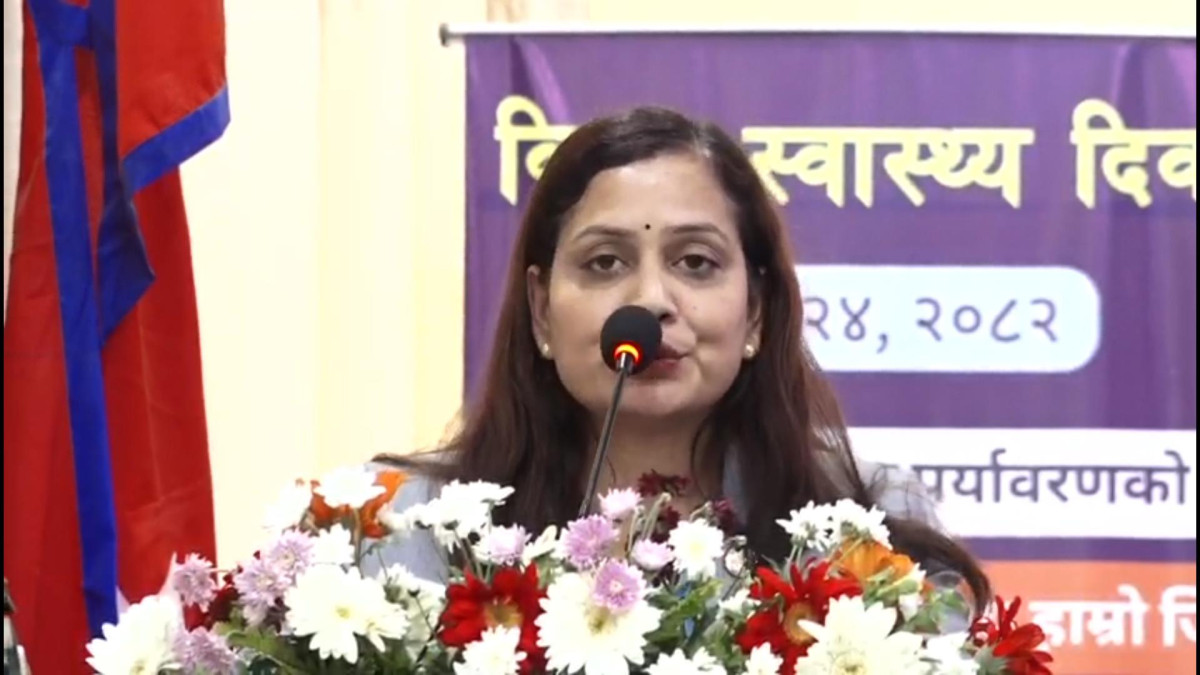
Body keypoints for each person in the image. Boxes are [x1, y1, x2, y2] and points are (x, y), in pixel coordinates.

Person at [373, 105, 991, 615]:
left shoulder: (871, 516)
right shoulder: (413, 526)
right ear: (541, 311)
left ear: (755, 312)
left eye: (695, 262)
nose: (651, 301)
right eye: (605, 262)